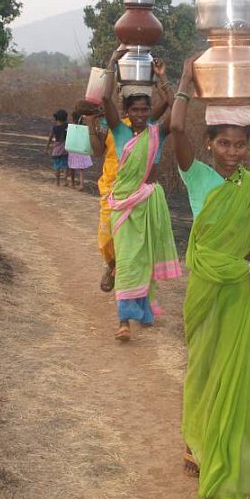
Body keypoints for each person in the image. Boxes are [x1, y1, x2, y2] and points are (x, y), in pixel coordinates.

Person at [170, 54, 250, 499]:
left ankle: (235, 487)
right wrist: (183, 81)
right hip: (207, 292)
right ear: (209, 143)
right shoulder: (196, 176)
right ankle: (195, 443)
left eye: (240, 144)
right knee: (203, 374)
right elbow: (175, 133)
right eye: (224, 143)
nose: (233, 151)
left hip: (246, 291)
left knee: (240, 386)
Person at [98, 51, 181, 341]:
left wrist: (162, 78)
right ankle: (123, 321)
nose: (142, 115)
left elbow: (176, 106)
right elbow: (106, 100)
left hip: (147, 206)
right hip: (123, 206)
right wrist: (111, 65)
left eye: (146, 110)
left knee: (143, 261)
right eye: (136, 110)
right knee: (127, 259)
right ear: (127, 112)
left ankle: (143, 311)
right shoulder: (119, 132)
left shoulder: (157, 133)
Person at [67, 111, 93, 191]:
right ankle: (81, 184)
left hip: (73, 149)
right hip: (82, 150)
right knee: (81, 169)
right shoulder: (85, 127)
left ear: (73, 118)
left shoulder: (71, 127)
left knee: (72, 167)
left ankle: (72, 183)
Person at [45, 109, 69, 186]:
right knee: (65, 166)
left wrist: (47, 148)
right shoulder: (67, 126)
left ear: (56, 118)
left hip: (57, 149)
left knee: (57, 166)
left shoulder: (54, 128)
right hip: (65, 149)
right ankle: (65, 181)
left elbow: (50, 138)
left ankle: (57, 182)